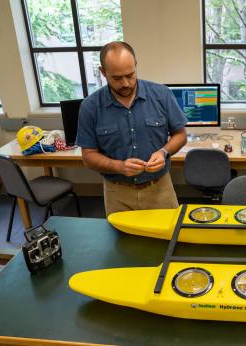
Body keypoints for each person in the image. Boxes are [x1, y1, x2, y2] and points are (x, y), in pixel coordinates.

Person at [76, 41, 188, 216]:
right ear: (103, 72)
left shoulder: (161, 94)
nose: (126, 83)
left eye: (130, 75)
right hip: (117, 194)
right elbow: (88, 157)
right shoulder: (90, 107)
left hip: (160, 189)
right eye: (117, 78)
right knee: (122, 242)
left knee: (168, 241)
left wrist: (163, 152)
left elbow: (180, 135)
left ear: (136, 65)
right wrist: (119, 166)